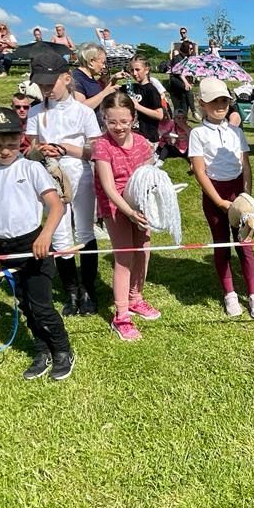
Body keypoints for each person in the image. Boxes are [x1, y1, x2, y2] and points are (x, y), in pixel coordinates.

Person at [0, 106, 74, 381]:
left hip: (35, 246)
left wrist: (45, 236)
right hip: (5, 250)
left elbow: (56, 206)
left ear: (21, 139)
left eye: (10, 143)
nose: (5, 150)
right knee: (25, 305)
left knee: (41, 305)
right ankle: (42, 350)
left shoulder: (31, 169)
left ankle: (62, 350)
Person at [26, 49, 103, 316]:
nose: (46, 90)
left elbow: (95, 151)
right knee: (59, 233)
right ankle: (70, 290)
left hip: (79, 173)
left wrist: (66, 148)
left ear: (67, 78)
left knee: (84, 231)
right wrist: (40, 151)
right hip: (50, 175)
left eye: (51, 84)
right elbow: (30, 149)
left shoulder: (83, 112)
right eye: (41, 86)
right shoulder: (36, 112)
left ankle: (88, 289)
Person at [188, 77, 254, 320]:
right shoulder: (197, 133)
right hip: (215, 194)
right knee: (221, 244)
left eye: (224, 100)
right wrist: (220, 202)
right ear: (202, 103)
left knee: (245, 243)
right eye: (214, 101)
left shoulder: (236, 131)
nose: (220, 105)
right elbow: (200, 171)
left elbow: (246, 165)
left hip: (237, 192)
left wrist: (246, 196)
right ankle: (230, 293)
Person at [92, 92, 161, 341]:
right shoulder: (101, 146)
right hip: (116, 207)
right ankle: (121, 315)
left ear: (133, 118)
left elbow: (149, 174)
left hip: (140, 205)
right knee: (124, 258)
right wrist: (129, 212)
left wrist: (148, 203)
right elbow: (109, 188)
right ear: (104, 119)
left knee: (143, 251)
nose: (118, 127)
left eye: (124, 121)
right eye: (112, 122)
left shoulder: (141, 142)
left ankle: (135, 298)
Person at [70, 43, 123, 114]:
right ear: (91, 61)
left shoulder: (89, 76)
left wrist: (114, 78)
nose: (104, 67)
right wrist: (106, 93)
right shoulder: (76, 78)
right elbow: (80, 108)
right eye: (103, 63)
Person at [127, 56, 166, 144]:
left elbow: (159, 115)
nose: (134, 73)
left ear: (147, 70)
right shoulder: (133, 87)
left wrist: (137, 107)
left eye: (137, 70)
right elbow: (112, 89)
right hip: (136, 134)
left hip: (149, 137)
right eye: (132, 70)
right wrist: (115, 78)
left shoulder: (151, 90)